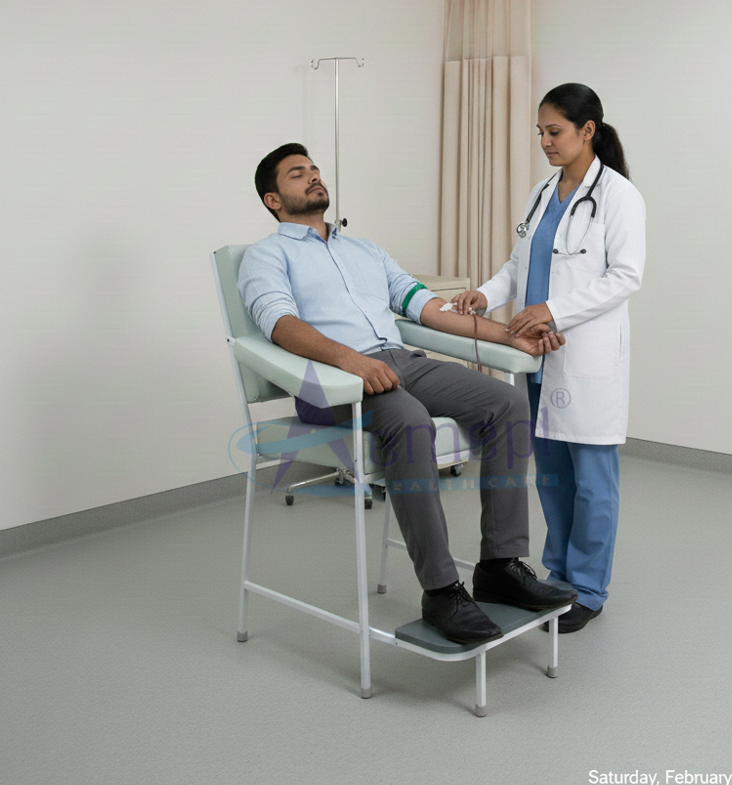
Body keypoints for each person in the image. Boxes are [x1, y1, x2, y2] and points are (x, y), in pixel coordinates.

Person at [237, 144, 577, 646]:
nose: (312, 178)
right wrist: (350, 361)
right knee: (409, 420)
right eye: (296, 174)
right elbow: (280, 324)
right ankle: (441, 590)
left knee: (506, 402)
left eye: (313, 169)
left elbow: (428, 309)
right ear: (273, 199)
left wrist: (509, 335)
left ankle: (500, 566)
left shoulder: (365, 249)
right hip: (330, 379)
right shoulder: (266, 255)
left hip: (400, 364)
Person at [452, 84, 646, 633]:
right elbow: (519, 265)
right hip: (538, 354)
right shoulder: (543, 193)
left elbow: (626, 276)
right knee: (553, 476)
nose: (544, 141)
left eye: (553, 131)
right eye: (539, 131)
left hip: (584, 355)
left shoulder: (618, 196)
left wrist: (553, 310)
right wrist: (485, 296)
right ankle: (557, 577)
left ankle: (588, 589)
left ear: (588, 131)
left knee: (592, 479)